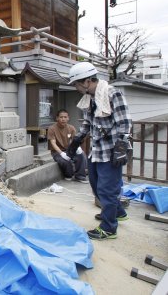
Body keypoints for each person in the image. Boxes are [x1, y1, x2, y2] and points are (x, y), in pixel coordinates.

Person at [66, 62, 132, 240]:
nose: (76, 88)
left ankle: (109, 228)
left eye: (77, 84)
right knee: (95, 183)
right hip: (97, 150)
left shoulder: (112, 93)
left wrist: (121, 147)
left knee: (107, 190)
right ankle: (117, 212)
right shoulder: (91, 99)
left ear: (87, 81)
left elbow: (124, 123)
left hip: (111, 151)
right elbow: (87, 123)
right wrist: (76, 141)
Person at [47, 109, 87, 182]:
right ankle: (69, 175)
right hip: (57, 152)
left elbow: (75, 140)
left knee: (81, 155)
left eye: (65, 117)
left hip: (69, 149)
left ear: (68, 118)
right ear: (57, 118)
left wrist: (77, 148)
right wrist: (61, 153)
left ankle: (80, 176)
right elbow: (53, 143)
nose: (63, 119)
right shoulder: (52, 128)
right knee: (65, 161)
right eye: (61, 117)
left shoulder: (71, 128)